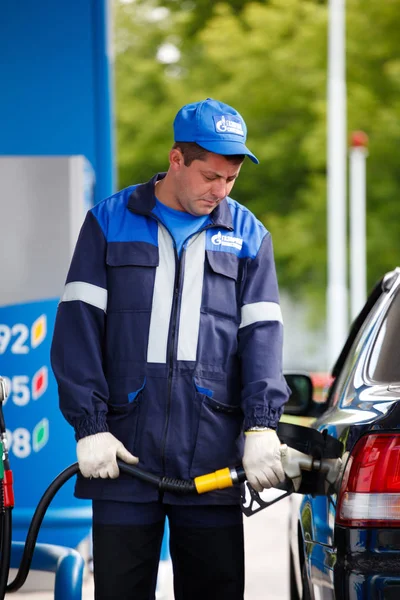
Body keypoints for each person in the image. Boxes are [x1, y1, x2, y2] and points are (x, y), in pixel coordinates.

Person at [51, 97, 290, 600]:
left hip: (210, 463)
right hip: (122, 458)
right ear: (176, 159)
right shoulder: (108, 223)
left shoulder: (248, 235)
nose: (219, 190)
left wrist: (262, 424)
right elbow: (77, 331)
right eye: (209, 176)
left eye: (230, 179)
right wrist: (90, 426)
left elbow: (262, 337)